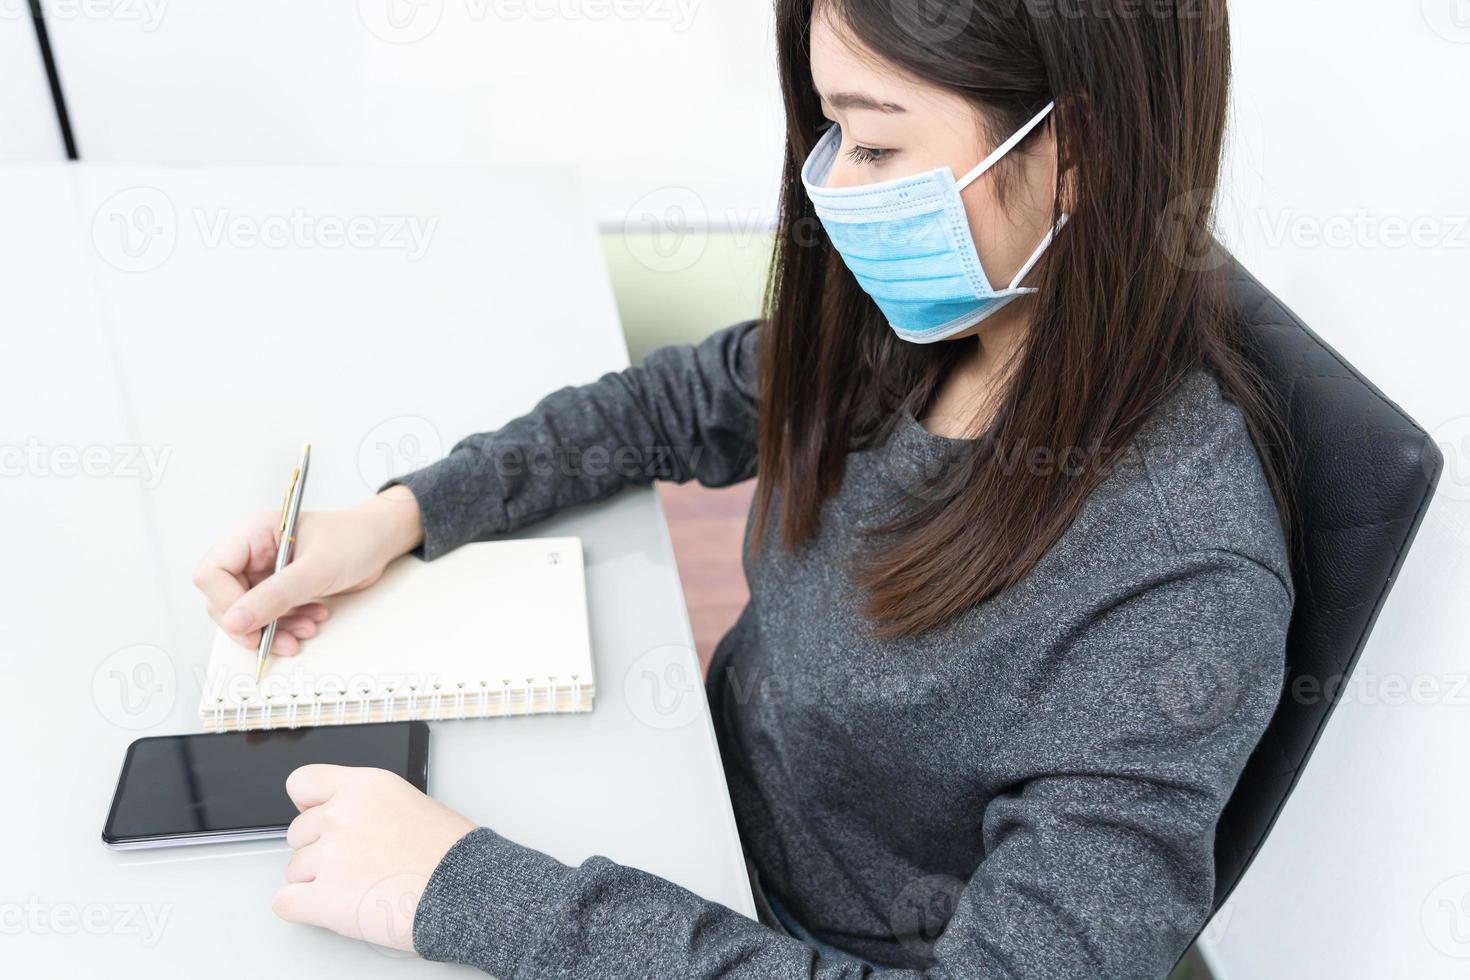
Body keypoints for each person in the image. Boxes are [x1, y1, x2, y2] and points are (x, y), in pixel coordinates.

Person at [191, 0, 1295, 975]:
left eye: (872, 143)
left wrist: (472, 890)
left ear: (1079, 149)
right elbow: (669, 405)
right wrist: (405, 513)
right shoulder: (924, 324)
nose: (835, 194)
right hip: (696, 801)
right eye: (829, 138)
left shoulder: (1183, 578)